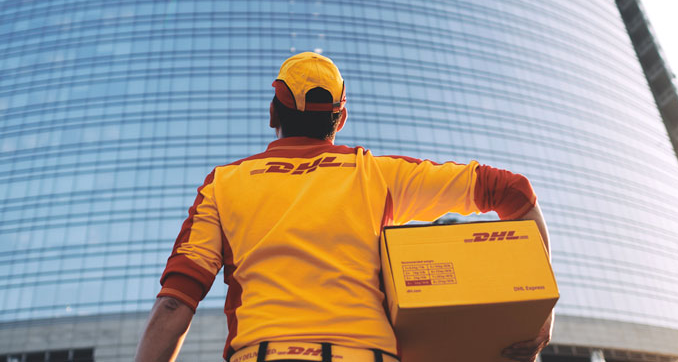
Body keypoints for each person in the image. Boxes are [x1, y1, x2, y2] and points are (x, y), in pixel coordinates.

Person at [135, 52, 552, 362]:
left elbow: (176, 302)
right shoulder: (376, 174)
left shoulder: (224, 185)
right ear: (341, 118)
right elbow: (513, 191)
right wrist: (539, 308)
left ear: (272, 113)